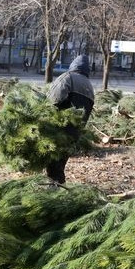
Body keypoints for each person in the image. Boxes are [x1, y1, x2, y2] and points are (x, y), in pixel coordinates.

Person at [45, 54, 95, 184]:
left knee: (53, 161)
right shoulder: (89, 86)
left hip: (59, 127)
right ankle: (57, 185)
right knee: (61, 161)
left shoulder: (68, 77)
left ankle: (54, 188)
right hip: (75, 132)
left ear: (73, 66)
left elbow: (54, 100)